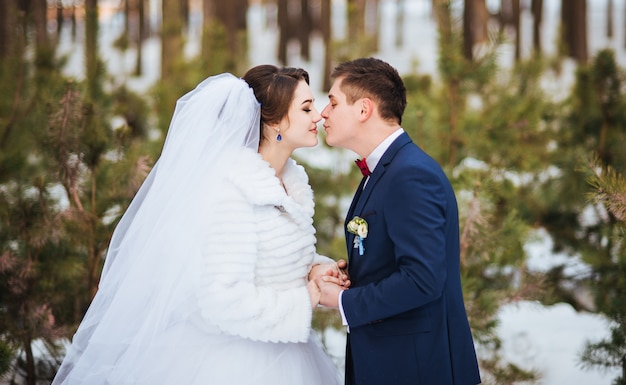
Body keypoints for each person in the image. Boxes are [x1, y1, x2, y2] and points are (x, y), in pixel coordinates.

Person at [52, 65, 347, 385]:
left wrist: (316, 269)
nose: (318, 116)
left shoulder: (290, 183)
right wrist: (305, 298)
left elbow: (273, 258)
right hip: (240, 364)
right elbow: (222, 300)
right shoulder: (232, 192)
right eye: (306, 108)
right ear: (273, 121)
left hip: (288, 350)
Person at [315, 57, 481, 385]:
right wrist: (355, 274)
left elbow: (423, 279)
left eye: (333, 102)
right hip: (392, 361)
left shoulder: (411, 174)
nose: (323, 113)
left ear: (364, 109)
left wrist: (345, 301)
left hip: (417, 366)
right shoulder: (386, 170)